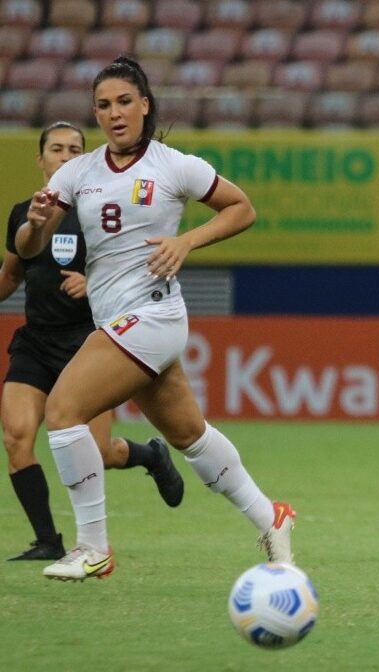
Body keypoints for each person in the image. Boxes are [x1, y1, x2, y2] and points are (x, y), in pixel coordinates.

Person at [17, 56, 295, 581]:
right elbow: (28, 244)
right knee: (190, 435)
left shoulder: (174, 165)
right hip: (119, 321)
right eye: (103, 105)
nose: (115, 114)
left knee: (63, 410)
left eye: (125, 102)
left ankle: (92, 548)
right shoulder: (79, 172)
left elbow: (242, 208)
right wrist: (33, 225)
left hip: (155, 316)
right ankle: (271, 517)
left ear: (145, 105)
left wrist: (186, 240)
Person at [2, 121, 185, 562]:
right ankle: (47, 540)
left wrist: (93, 281)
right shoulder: (24, 213)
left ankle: (151, 456)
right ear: (41, 159)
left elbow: (133, 266)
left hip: (90, 341)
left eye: (74, 150)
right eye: (57, 149)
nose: (65, 157)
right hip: (36, 342)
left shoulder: (100, 208)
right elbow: (11, 274)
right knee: (16, 436)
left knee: (100, 452)